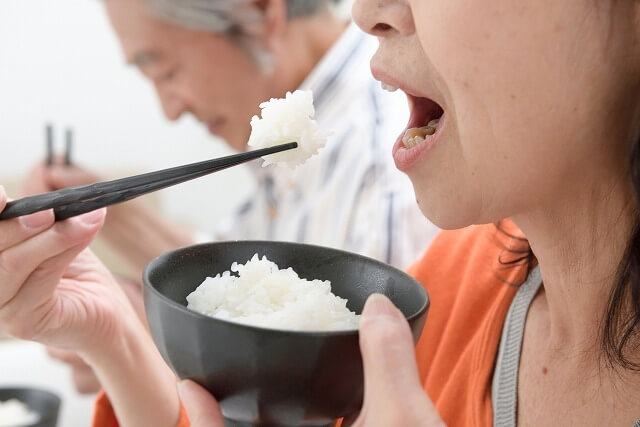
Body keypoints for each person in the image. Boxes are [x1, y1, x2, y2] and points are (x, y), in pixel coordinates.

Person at [4, 0, 639, 426]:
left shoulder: (398, 281)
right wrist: (109, 331)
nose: (365, 13)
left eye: (161, 68)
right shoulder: (446, 289)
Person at [22, 0, 438, 397]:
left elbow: (356, 391)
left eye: (165, 71)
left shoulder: (383, 164)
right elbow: (242, 278)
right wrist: (108, 216)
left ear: (258, 10)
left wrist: (135, 342)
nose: (170, 109)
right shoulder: (300, 144)